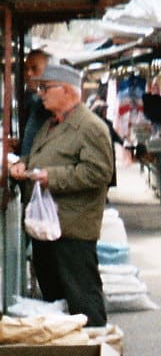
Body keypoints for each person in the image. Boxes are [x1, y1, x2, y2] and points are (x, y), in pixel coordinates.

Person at [8, 61, 115, 327]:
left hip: (72, 229)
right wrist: (23, 163)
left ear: (67, 90)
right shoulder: (51, 124)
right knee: (57, 302)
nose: (41, 93)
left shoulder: (90, 127)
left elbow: (99, 173)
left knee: (83, 300)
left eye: (46, 88)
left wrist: (51, 177)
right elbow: (41, 155)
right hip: (48, 227)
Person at [16, 48, 50, 160]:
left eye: (34, 68)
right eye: (26, 69)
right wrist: (19, 146)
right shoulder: (31, 100)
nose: (28, 73)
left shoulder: (52, 106)